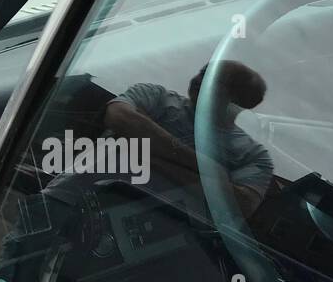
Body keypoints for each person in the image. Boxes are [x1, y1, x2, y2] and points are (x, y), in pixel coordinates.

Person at [102, 60, 275, 217]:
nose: (200, 79)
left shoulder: (255, 156)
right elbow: (117, 116)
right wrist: (209, 168)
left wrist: (148, 156)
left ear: (238, 101)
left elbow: (239, 205)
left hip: (175, 226)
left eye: (216, 80)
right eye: (203, 72)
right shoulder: (157, 96)